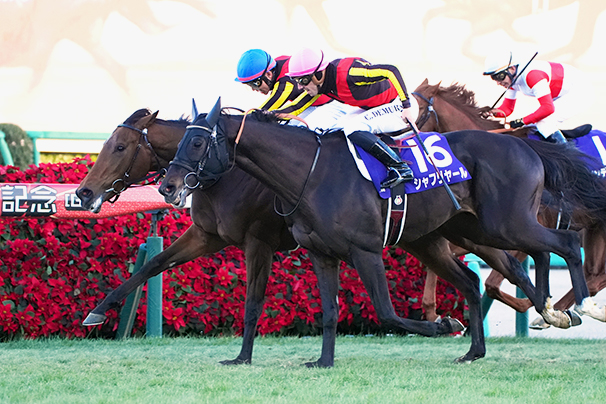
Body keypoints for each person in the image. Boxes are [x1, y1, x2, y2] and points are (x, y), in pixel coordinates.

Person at [286, 48, 415, 187]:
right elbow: (296, 106)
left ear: (319, 75)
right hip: (375, 107)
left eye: (303, 80)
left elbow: (391, 70)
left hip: (399, 105)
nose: (300, 86)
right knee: (334, 129)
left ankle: (401, 168)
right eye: (296, 80)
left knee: (353, 128)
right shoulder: (323, 84)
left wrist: (406, 106)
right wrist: (271, 115)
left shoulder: (349, 73)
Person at [483, 50, 590, 144]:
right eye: (494, 78)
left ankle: (569, 156)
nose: (498, 82)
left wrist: (522, 121)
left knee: (544, 122)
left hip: (579, 91)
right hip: (561, 94)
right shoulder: (512, 79)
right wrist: (492, 112)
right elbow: (507, 109)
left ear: (511, 68)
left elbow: (548, 108)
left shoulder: (533, 76)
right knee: (531, 127)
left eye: (499, 76)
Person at [235, 49, 347, 129]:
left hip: (332, 103)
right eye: (249, 85)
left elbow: (264, 110)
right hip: (312, 104)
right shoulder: (276, 64)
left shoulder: (285, 83)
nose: (254, 89)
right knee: (287, 130)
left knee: (304, 133)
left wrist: (232, 120)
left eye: (255, 84)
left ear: (268, 74)